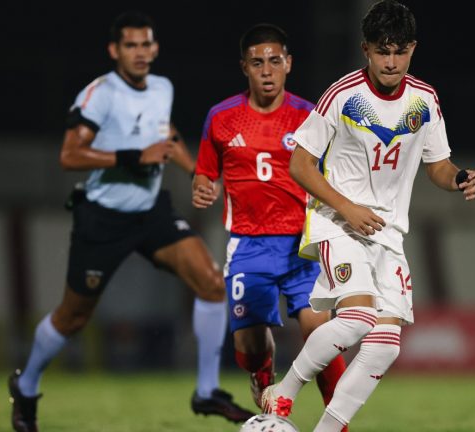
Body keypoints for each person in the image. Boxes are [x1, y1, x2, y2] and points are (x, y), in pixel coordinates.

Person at [7, 11, 254, 432]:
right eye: (131, 46)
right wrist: (131, 157)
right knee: (73, 317)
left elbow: (166, 134)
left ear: (155, 48)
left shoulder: (161, 87)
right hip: (102, 218)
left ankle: (207, 390)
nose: (140, 53)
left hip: (150, 211)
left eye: (146, 45)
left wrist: (198, 171)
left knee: (213, 283)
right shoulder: (99, 94)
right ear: (115, 51)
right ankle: (26, 385)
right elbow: (69, 155)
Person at [259, 1, 475, 430]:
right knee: (358, 318)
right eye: (382, 51)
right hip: (337, 220)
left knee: (385, 346)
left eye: (399, 51)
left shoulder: (425, 100)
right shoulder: (342, 95)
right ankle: (282, 393)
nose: (391, 61)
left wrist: (458, 178)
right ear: (366, 49)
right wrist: (347, 208)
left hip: (388, 232)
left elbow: (437, 165)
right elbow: (300, 165)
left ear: (412, 49)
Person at [191, 23, 348, 418]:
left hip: (303, 245)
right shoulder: (222, 117)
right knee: (251, 347)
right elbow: (205, 171)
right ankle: (264, 381)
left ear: (288, 64)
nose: (266, 70)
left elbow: (333, 172)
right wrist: (203, 186)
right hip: (249, 245)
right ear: (244, 66)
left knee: (322, 335)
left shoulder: (309, 115)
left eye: (274, 61)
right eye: (257, 62)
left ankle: (337, 424)